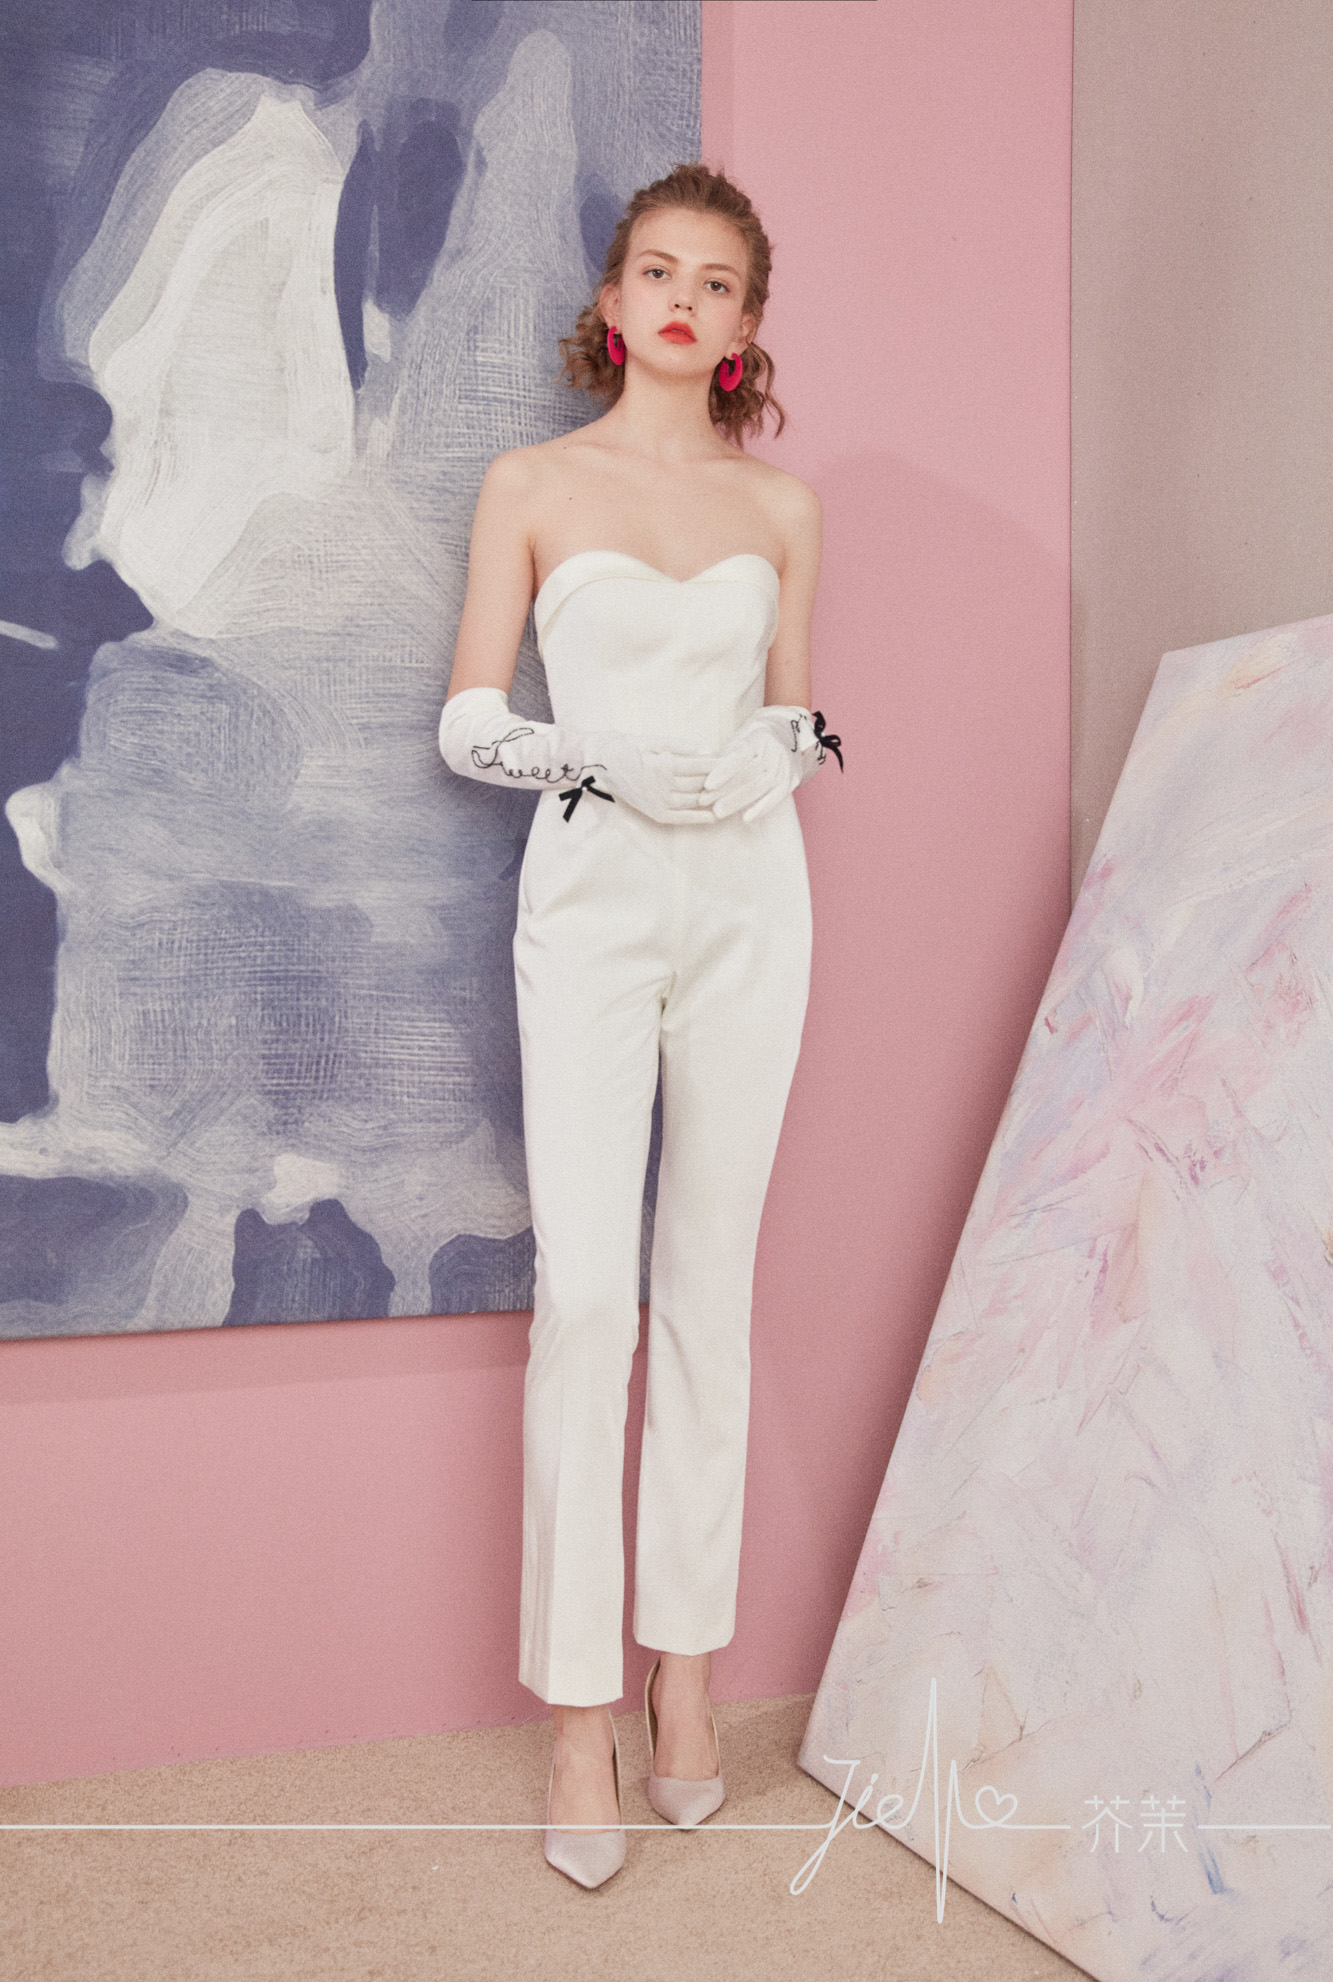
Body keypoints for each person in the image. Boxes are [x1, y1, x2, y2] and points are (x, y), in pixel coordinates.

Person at [437, 162, 840, 1888]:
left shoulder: (783, 508)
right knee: (589, 1298)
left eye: (717, 282)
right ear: (612, 301)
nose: (683, 300)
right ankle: (576, 1712)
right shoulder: (532, 483)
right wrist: (586, 755)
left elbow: (804, 716)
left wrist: (775, 752)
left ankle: (685, 1675)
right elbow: (466, 717)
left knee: (710, 1294)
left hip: (749, 902)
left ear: (745, 325)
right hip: (591, 898)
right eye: (657, 272)